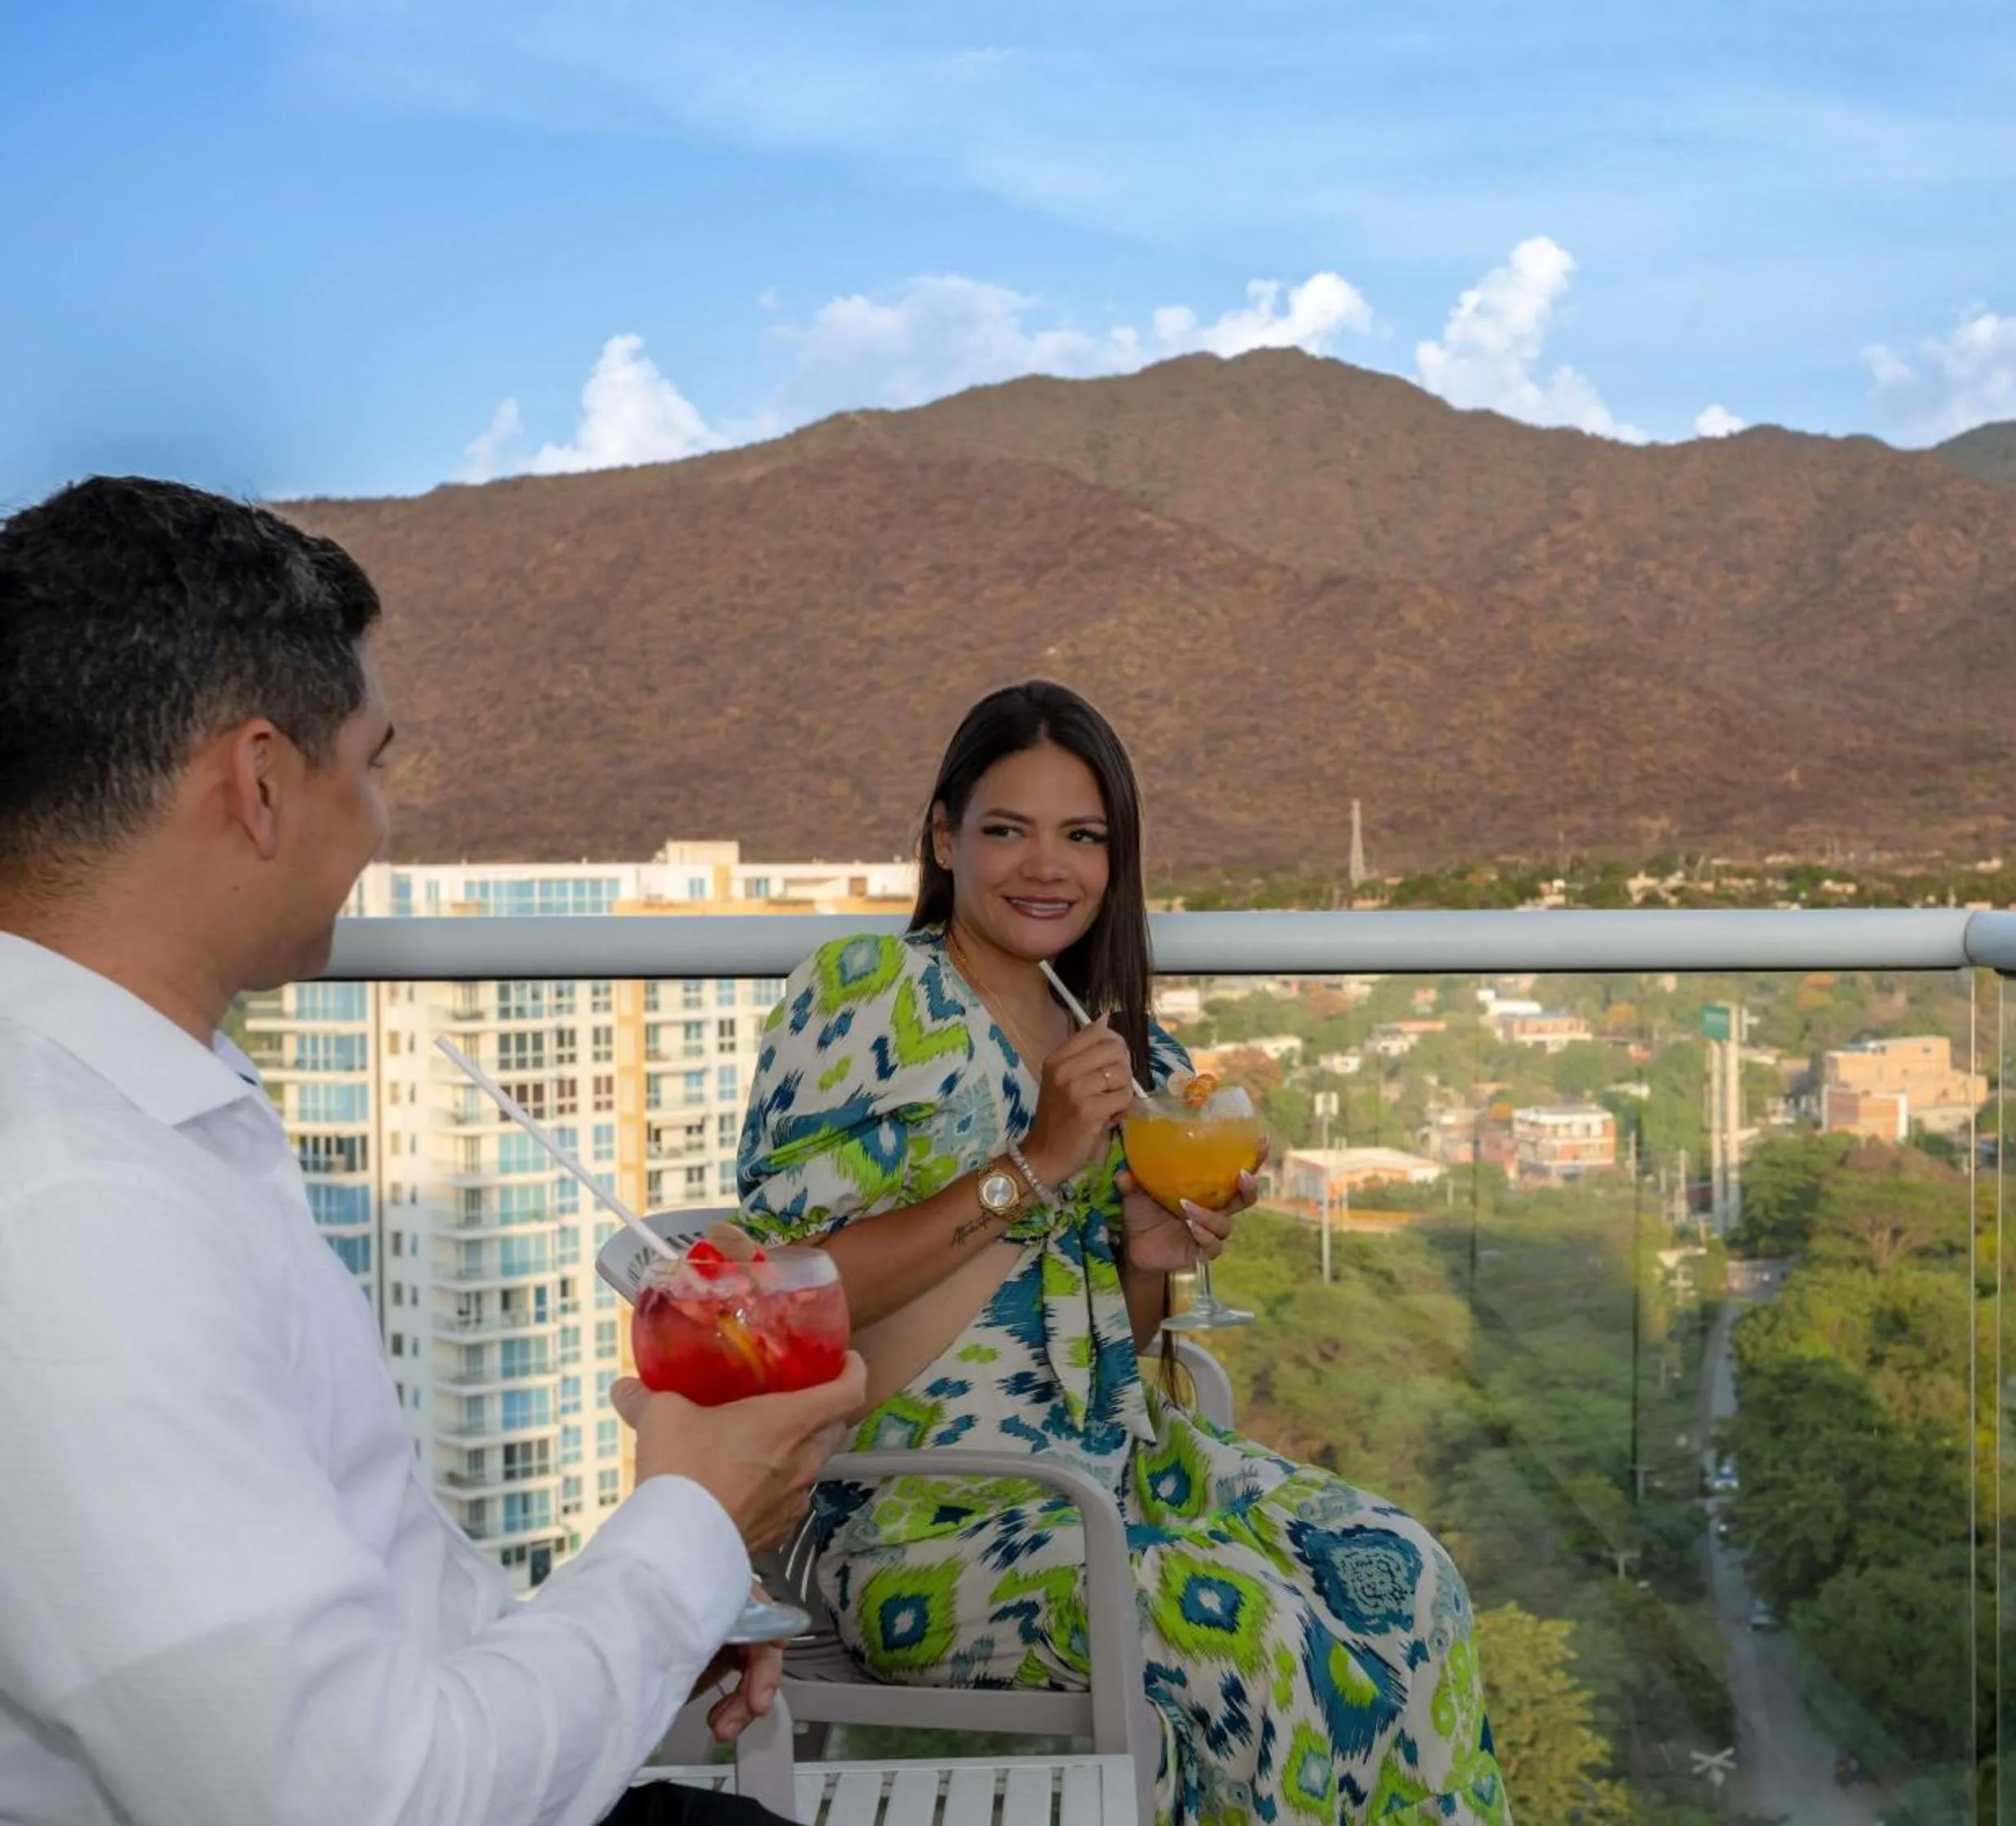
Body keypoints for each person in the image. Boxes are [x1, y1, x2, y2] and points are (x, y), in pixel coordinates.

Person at [0, 475, 867, 1825]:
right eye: (375, 760)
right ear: (265, 780)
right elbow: (363, 1799)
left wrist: (653, 1606)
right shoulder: (71, 1206)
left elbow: (370, 1610)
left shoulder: (150, 1114)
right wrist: (693, 1520)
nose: (383, 820)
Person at [734, 681, 1513, 1823]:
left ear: (1117, 859)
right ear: (946, 838)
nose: (1046, 866)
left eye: (1083, 837)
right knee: (1254, 1635)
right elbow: (782, 1306)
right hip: (922, 1513)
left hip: (1123, 1474)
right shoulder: (869, 996)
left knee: (1408, 1578)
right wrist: (1034, 1163)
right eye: (1007, 830)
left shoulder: (1125, 1045)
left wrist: (1147, 1255)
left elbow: (1115, 1354)